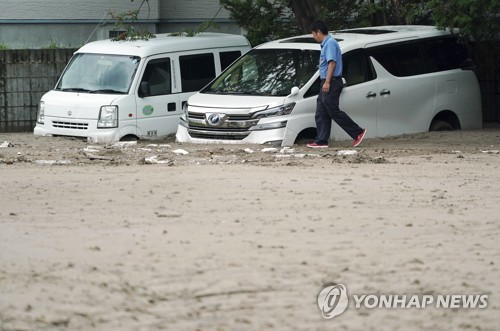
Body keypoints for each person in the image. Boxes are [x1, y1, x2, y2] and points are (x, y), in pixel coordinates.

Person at [307, 21, 367, 148]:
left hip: (332, 81)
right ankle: (321, 140)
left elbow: (332, 63)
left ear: (318, 32)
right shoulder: (326, 44)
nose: (313, 37)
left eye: (313, 34)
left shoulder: (330, 44)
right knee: (321, 111)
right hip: (327, 81)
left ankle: (358, 132)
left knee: (333, 110)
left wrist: (327, 82)